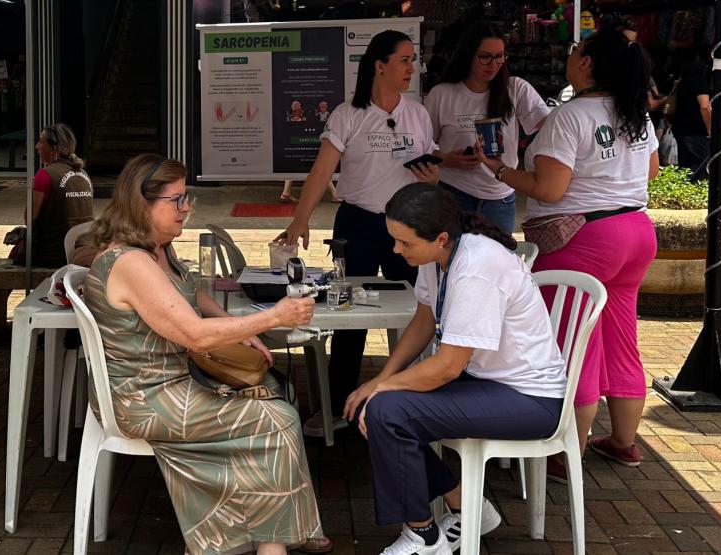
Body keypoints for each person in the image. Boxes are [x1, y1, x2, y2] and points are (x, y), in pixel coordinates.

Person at [84, 154, 331, 555]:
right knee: (276, 419)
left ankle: (275, 537)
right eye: (176, 200)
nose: (187, 208)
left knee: (275, 391)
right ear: (141, 204)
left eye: (187, 197)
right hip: (144, 397)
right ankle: (274, 539)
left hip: (171, 383)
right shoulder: (130, 262)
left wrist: (241, 333)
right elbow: (195, 336)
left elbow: (191, 292)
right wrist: (271, 318)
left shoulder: (154, 248)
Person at [474, 25, 659, 479]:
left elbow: (549, 190)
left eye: (576, 51)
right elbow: (651, 170)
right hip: (635, 231)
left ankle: (566, 450)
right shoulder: (635, 111)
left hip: (585, 238)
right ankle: (623, 442)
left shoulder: (569, 116)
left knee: (574, 343)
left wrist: (499, 170)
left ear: (588, 64)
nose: (570, 56)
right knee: (620, 337)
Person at [343, 183, 565, 554]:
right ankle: (467, 507)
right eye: (394, 240)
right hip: (488, 383)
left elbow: (446, 367)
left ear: (440, 237)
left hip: (530, 400)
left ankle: (425, 537)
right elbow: (424, 319)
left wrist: (382, 389)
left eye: (405, 243)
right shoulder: (441, 254)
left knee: (386, 411)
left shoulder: (476, 267)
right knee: (370, 408)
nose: (396, 250)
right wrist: (381, 379)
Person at [278, 29, 440, 437]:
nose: (411, 67)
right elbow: (321, 171)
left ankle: (411, 396)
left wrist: (433, 181)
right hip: (359, 223)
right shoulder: (347, 114)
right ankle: (338, 405)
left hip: (408, 226)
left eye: (412, 59)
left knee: (421, 310)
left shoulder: (417, 113)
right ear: (379, 65)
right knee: (348, 315)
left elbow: (428, 170)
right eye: (403, 59)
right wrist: (300, 220)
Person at [425, 22, 549, 233]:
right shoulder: (441, 94)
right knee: (457, 262)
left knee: (498, 262)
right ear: (468, 55)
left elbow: (551, 128)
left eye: (500, 56)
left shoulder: (515, 89)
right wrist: (447, 159)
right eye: (485, 57)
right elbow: (422, 146)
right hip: (455, 194)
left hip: (501, 197)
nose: (493, 64)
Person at [18, 123, 94, 268]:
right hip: (83, 249)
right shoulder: (83, 174)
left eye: (41, 142)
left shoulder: (44, 175)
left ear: (53, 148)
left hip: (54, 254)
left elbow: (30, 219)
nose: (37, 147)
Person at [670, 49, 711, 180]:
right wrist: (710, 128)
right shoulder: (700, 82)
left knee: (685, 165)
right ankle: (692, 193)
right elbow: (704, 106)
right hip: (695, 130)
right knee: (699, 165)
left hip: (680, 127)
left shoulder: (681, 82)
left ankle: (683, 192)